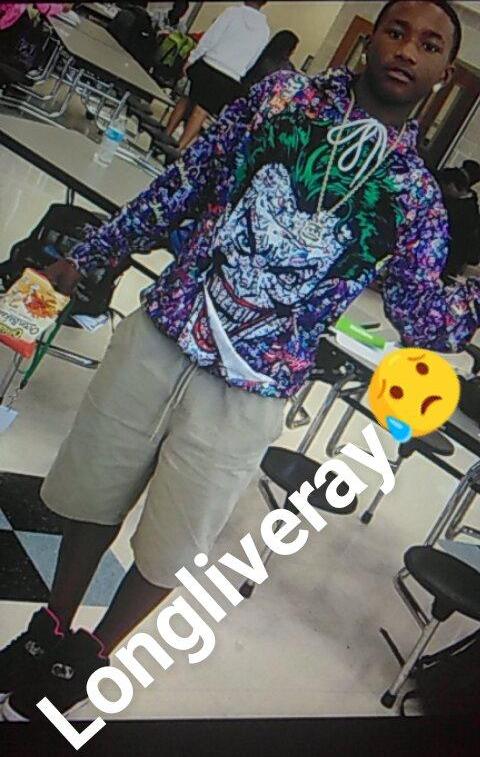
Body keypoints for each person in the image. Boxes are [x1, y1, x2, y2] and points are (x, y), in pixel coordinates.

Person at [2, 0, 480, 723]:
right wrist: (94, 251)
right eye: (396, 31)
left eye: (430, 44)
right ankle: (52, 628)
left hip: (252, 388)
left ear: (444, 73)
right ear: (371, 40)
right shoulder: (281, 99)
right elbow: (185, 184)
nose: (408, 50)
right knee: (94, 491)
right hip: (166, 330)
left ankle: (93, 656)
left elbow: (423, 318)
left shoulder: (413, 198)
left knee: (174, 539)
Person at [156, 0, 270, 159]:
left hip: (209, 65)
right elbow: (253, 60)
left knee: (186, 100)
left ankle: (164, 136)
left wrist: (192, 58)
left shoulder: (232, 12)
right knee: (201, 113)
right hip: (230, 76)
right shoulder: (264, 30)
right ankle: (177, 150)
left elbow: (210, 38)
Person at [437, 160, 480, 278]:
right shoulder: (461, 204)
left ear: (451, 186)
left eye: (443, 187)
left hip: (446, 260)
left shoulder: (468, 213)